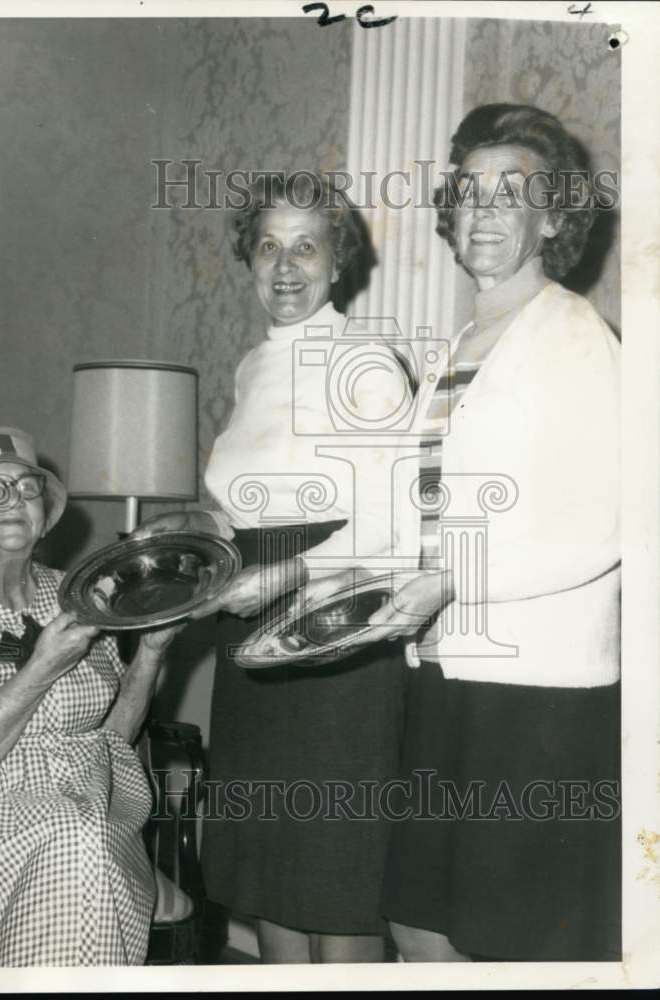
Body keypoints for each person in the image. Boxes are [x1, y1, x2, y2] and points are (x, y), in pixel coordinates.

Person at [342, 103, 620, 961]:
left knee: (510, 941)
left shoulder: (573, 334)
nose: (485, 212)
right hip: (446, 667)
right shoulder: (459, 343)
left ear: (552, 218)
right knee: (417, 926)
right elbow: (424, 506)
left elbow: (612, 520)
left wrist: (457, 580)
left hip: (538, 692)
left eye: (513, 194)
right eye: (470, 192)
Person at [133, 173, 413, 963]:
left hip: (340, 632)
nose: (284, 266)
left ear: (337, 261)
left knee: (336, 875)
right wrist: (198, 533)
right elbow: (243, 504)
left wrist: (282, 577)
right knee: (270, 871)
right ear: (248, 260)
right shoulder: (255, 366)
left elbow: (395, 521)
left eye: (305, 246)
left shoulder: (363, 359)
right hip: (251, 633)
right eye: (266, 246)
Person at [0, 427, 178, 967]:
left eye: (27, 488)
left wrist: (152, 655)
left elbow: (111, 742)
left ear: (45, 513)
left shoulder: (80, 594)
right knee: (75, 841)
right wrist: (42, 668)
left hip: (86, 813)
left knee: (79, 837)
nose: (14, 500)